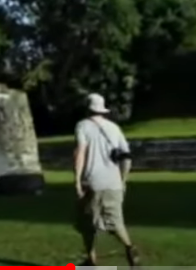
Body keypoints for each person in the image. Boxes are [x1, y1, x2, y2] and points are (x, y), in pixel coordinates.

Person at [73, 93, 140, 267]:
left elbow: (81, 153)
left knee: (87, 223)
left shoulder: (82, 126)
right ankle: (130, 248)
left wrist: (77, 180)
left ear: (88, 108)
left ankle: (91, 258)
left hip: (92, 182)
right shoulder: (114, 128)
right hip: (113, 182)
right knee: (116, 221)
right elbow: (127, 157)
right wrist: (123, 180)